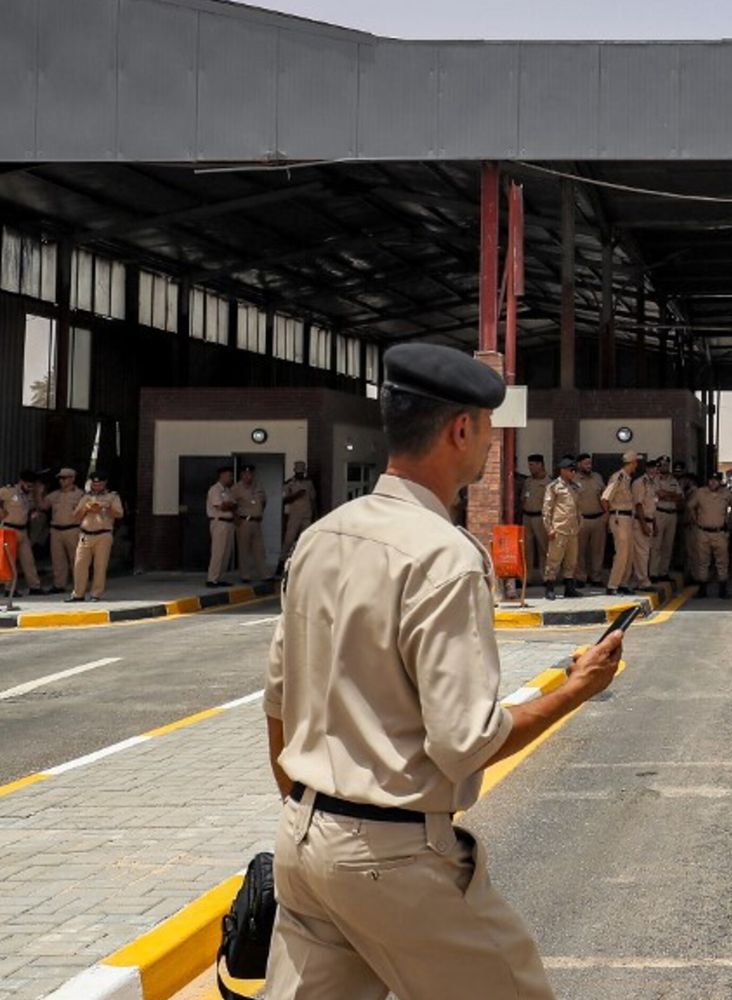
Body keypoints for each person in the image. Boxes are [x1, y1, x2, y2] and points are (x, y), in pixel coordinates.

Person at [262, 343, 622, 1000]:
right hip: (390, 858)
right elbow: (464, 742)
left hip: (302, 840)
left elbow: (278, 703)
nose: (488, 443)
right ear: (462, 429)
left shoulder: (322, 536)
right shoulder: (444, 557)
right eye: (486, 427)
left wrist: (303, 807)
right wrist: (577, 689)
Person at [67, 471, 123, 602]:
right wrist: (86, 509)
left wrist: (105, 508)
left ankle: (96, 594)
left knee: (100, 565)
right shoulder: (86, 497)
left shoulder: (112, 497)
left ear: (104, 483)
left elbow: (119, 514)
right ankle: (78, 594)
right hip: (86, 534)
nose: (97, 486)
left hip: (103, 534)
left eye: (99, 484)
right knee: (79, 564)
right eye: (94, 483)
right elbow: (75, 517)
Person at [687, 471, 732, 598]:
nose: (713, 482)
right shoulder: (700, 493)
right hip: (703, 532)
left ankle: (722, 590)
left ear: (720, 482)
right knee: (702, 561)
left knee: (722, 562)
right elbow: (690, 506)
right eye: (711, 480)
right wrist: (695, 520)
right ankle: (702, 590)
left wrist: (729, 520)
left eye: (716, 480)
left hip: (719, 532)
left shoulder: (726, 494)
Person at [541, 458, 582, 600]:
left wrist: (579, 523)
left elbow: (578, 508)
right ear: (563, 471)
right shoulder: (554, 487)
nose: (573, 473)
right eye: (571, 470)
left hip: (573, 529)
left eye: (574, 470)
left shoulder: (575, 487)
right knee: (553, 559)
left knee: (571, 561)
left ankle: (569, 588)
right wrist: (549, 528)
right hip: (559, 528)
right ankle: (550, 587)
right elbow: (547, 509)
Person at [602, 451, 639, 596]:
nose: (637, 465)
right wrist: (609, 514)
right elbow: (605, 498)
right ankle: (613, 585)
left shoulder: (627, 479)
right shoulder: (618, 477)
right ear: (632, 463)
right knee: (622, 553)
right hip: (619, 518)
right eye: (636, 462)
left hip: (628, 518)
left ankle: (623, 582)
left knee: (629, 553)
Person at [42, 467, 84, 594]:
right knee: (57, 559)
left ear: (72, 479)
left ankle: (79, 585)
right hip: (56, 531)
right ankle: (59, 584)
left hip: (73, 529)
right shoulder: (55, 495)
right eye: (60, 478)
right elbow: (43, 506)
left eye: (64, 478)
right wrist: (39, 493)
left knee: (76, 559)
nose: (61, 480)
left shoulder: (80, 495)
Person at [0, 470, 42, 596]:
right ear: (22, 481)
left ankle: (34, 586)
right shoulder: (9, 491)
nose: (30, 487)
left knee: (28, 559)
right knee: (10, 560)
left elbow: (31, 507)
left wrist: (33, 513)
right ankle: (9, 589)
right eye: (28, 484)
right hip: (9, 529)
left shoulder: (28, 494)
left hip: (22, 530)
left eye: (32, 485)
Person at [231, 464, 271, 582]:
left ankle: (265, 574)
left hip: (256, 521)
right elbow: (232, 504)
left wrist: (260, 513)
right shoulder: (236, 488)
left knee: (259, 549)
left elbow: (264, 501)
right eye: (246, 474)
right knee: (244, 549)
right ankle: (245, 575)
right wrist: (236, 517)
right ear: (242, 475)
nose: (249, 476)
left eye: (251, 474)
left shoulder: (258, 486)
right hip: (244, 521)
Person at [573, 454, 607, 588]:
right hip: (581, 519)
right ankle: (581, 577)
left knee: (597, 550)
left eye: (590, 463)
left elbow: (604, 495)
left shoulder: (597, 477)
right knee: (579, 551)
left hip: (598, 518)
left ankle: (596, 577)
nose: (589, 466)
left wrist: (606, 513)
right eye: (586, 463)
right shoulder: (574, 478)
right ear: (579, 464)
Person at [650, 457, 682, 581]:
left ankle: (663, 572)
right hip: (659, 514)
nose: (665, 467)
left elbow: (680, 497)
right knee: (657, 544)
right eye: (663, 465)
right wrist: (671, 495)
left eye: (667, 465)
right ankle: (653, 573)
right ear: (658, 466)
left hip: (672, 514)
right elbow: (658, 494)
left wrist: (667, 494)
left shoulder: (673, 480)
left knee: (668, 545)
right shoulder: (655, 479)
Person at [630, 459, 660, 591]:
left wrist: (654, 524)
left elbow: (652, 506)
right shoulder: (640, 483)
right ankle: (643, 582)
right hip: (640, 521)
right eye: (652, 468)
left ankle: (640, 579)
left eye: (656, 468)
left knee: (645, 553)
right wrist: (643, 524)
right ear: (647, 469)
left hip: (650, 520)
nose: (654, 470)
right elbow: (638, 505)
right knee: (642, 553)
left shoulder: (653, 484)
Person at [206, 466, 238, 587]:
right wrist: (229, 505)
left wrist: (229, 505)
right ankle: (212, 578)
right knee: (218, 551)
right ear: (222, 475)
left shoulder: (228, 491)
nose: (231, 478)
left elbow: (234, 505)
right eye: (229, 475)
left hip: (229, 523)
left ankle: (221, 577)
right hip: (219, 522)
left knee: (226, 552)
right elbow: (220, 506)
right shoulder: (215, 490)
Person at [520, 454, 549, 578]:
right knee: (527, 549)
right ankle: (528, 577)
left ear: (540, 465)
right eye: (529, 465)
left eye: (532, 465)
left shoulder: (549, 482)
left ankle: (546, 577)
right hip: (527, 518)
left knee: (544, 548)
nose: (530, 468)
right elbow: (523, 497)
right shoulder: (528, 481)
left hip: (540, 518)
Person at [282, 461, 317, 562]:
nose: (300, 474)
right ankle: (282, 561)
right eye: (298, 473)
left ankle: (305, 562)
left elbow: (313, 499)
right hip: (294, 516)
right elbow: (284, 500)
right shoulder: (289, 483)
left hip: (307, 515)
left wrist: (315, 515)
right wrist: (296, 495)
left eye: (301, 473)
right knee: (289, 540)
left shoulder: (309, 483)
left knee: (306, 540)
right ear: (294, 471)